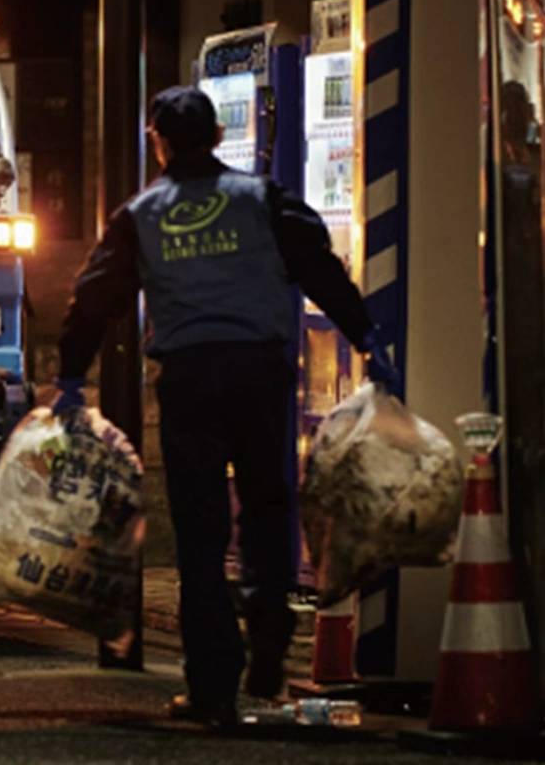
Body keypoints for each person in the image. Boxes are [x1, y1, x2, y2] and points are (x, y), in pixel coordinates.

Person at [53, 86, 400, 726]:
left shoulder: (141, 214)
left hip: (189, 378)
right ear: (217, 136)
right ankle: (269, 645)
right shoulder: (261, 198)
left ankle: (211, 684)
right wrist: (367, 338)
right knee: (268, 506)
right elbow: (320, 269)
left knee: (200, 529)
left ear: (157, 142)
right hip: (260, 373)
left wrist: (71, 376)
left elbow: (93, 298)